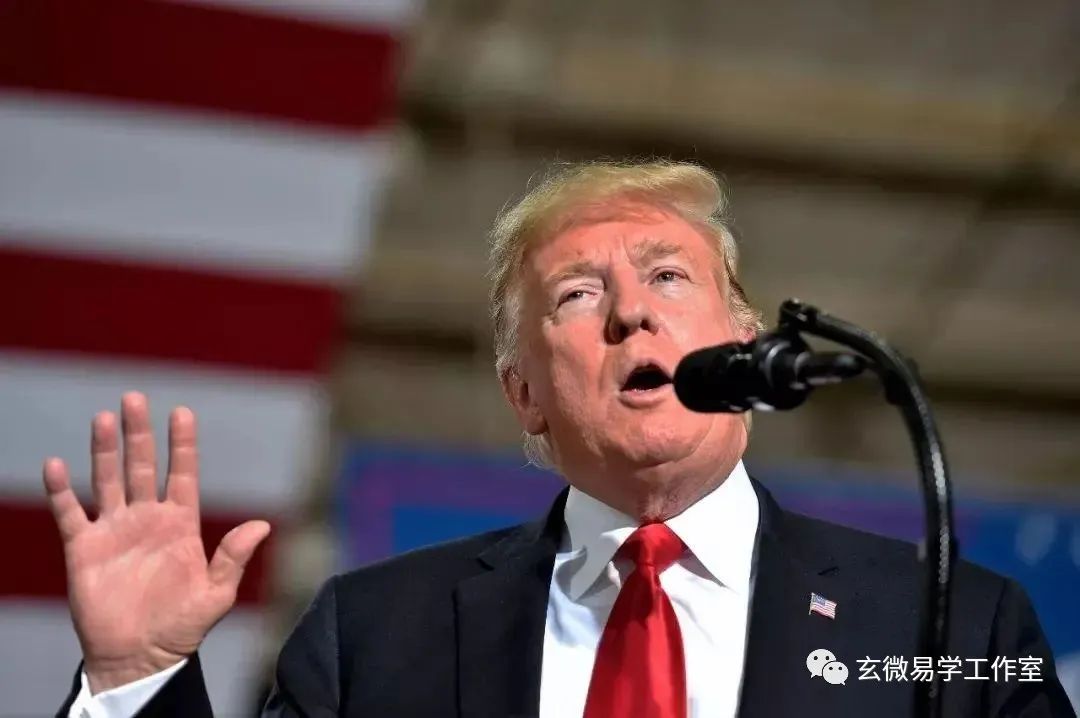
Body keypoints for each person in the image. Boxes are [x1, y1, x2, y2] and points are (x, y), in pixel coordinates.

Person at [48, 161, 1074, 717]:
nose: (632, 313)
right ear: (524, 394)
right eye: (578, 295)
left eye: (668, 276)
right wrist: (135, 678)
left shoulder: (960, 632)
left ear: (745, 342)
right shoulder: (372, 638)